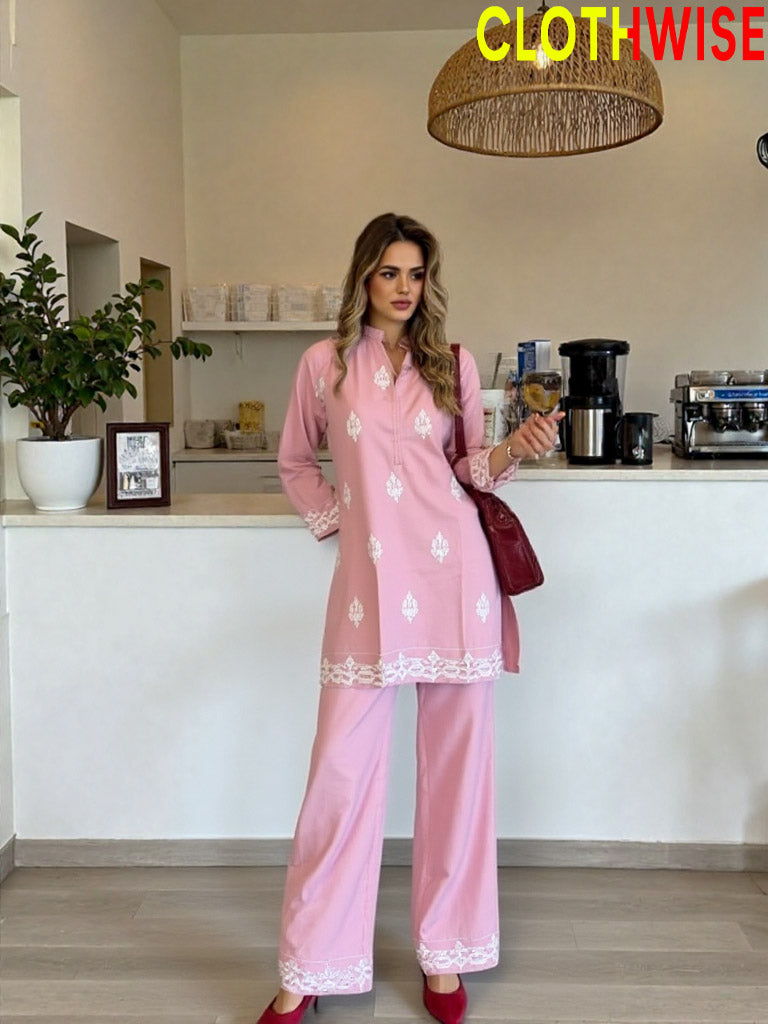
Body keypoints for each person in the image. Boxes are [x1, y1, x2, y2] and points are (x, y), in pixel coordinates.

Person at [259, 213, 562, 1024]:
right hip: (368, 595)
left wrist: (516, 449)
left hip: (455, 581)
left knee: (457, 777)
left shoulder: (450, 363)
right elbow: (295, 461)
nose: (403, 287)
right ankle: (309, 967)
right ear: (364, 275)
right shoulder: (323, 365)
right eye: (389, 271)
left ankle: (446, 955)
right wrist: (338, 524)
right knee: (340, 778)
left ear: (428, 281)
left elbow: (469, 468)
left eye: (416, 273)